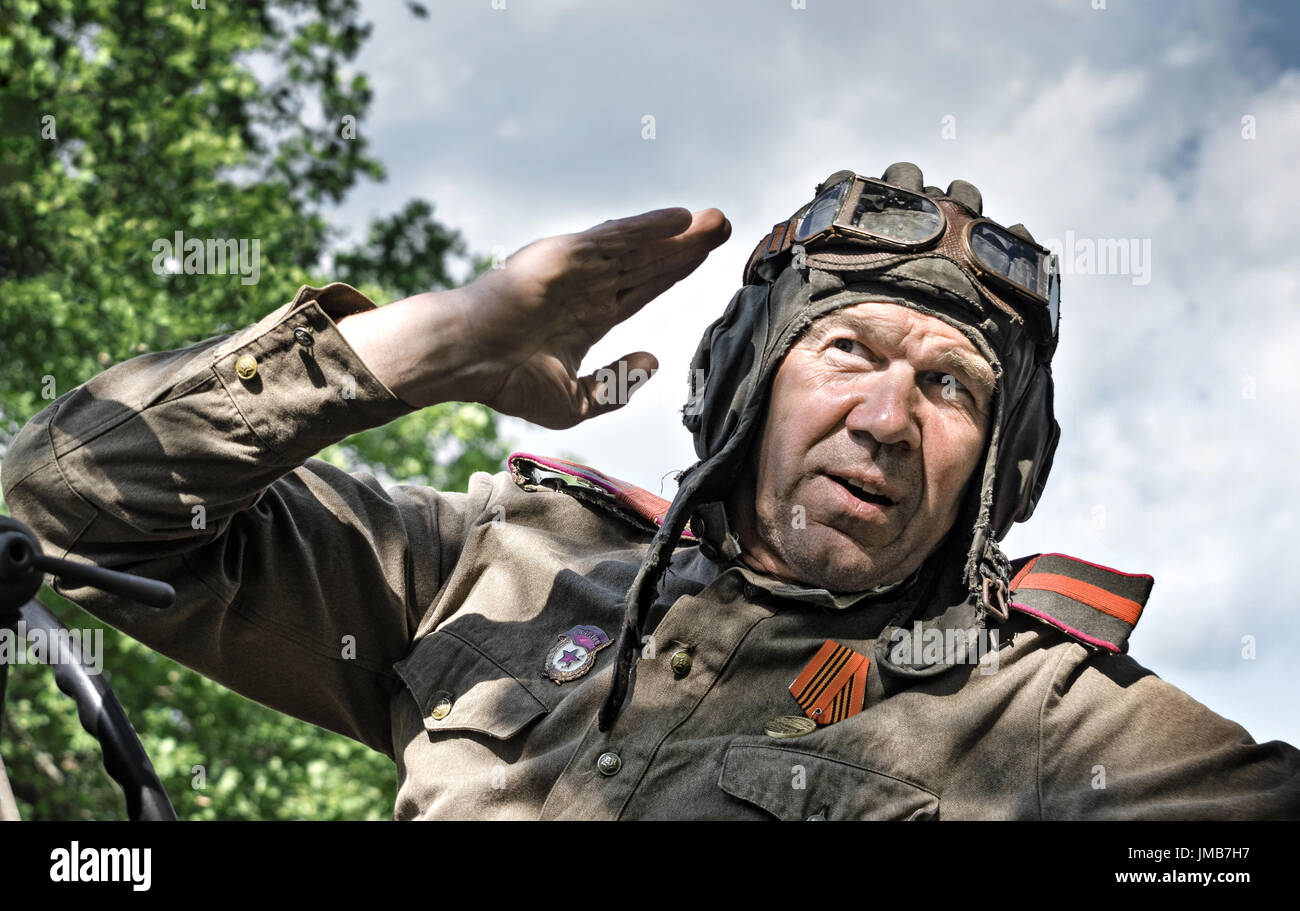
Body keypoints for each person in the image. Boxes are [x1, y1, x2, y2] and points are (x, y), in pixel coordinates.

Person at [2, 162, 1296, 820]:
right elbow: (60, 508)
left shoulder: (1048, 716)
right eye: (845, 350)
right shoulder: (504, 562)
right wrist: (428, 346)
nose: (889, 418)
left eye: (952, 389)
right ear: (746, 384)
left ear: (998, 465)